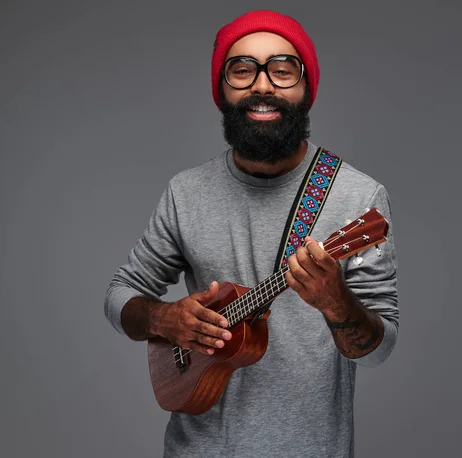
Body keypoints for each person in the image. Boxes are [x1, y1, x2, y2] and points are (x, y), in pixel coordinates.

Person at [105, 10, 399, 458]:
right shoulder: (186, 193)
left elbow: (379, 350)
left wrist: (336, 302)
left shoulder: (356, 195)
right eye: (242, 70)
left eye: (283, 70)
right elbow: (119, 294)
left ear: (306, 89)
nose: (263, 86)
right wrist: (163, 319)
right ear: (222, 91)